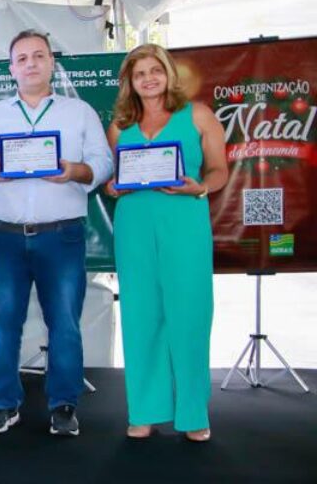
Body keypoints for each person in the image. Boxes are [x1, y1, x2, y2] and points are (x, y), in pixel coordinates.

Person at [0, 30, 112, 437]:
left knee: (64, 323)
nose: (31, 63)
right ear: (11, 68)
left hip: (61, 235)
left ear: (52, 62)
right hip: (4, 236)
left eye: (39, 56)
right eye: (22, 58)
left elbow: (102, 163)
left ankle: (64, 405)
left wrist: (74, 171)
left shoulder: (79, 111)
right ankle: (1, 404)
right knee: (4, 322)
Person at [106, 44, 228, 442]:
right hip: (134, 226)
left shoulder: (197, 115)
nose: (148, 79)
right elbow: (113, 178)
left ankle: (194, 414)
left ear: (168, 73)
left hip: (184, 221)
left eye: (155, 70)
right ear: (130, 81)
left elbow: (219, 169)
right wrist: (112, 186)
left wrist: (201, 188)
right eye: (139, 73)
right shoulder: (119, 125)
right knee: (140, 316)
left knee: (190, 315)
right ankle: (143, 410)